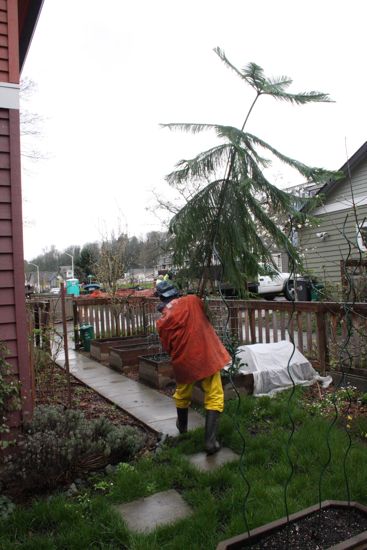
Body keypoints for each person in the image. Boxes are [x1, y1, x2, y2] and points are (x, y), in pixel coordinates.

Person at [155, 280, 230, 455]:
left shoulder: (162, 322)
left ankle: (182, 428)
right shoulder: (192, 300)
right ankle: (210, 442)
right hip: (206, 357)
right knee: (214, 395)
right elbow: (206, 311)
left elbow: (168, 347)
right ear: (176, 292)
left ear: (161, 298)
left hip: (184, 362)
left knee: (182, 393)